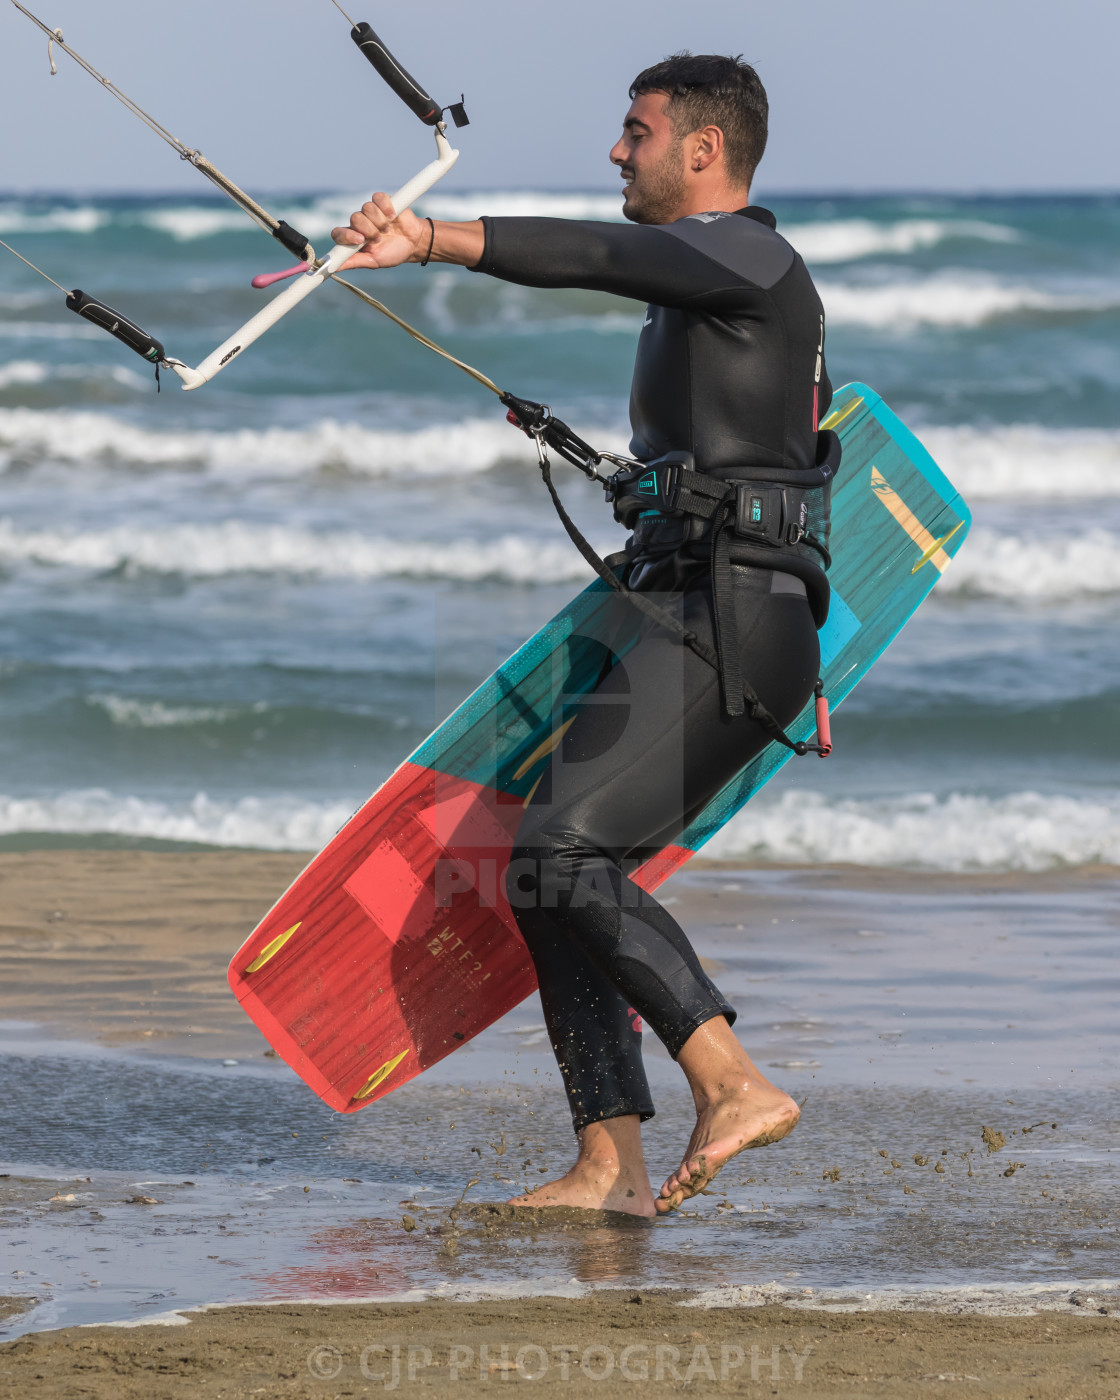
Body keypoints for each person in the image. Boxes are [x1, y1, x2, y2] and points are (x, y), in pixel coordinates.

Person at [333, 52, 833, 1217]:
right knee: (543, 868)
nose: (617, 150)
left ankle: (731, 1077)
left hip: (735, 617)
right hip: (687, 607)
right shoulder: (710, 291)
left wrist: (433, 237)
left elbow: (599, 254)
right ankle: (608, 1163)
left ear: (704, 150)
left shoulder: (749, 255)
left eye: (637, 132)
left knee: (565, 854)